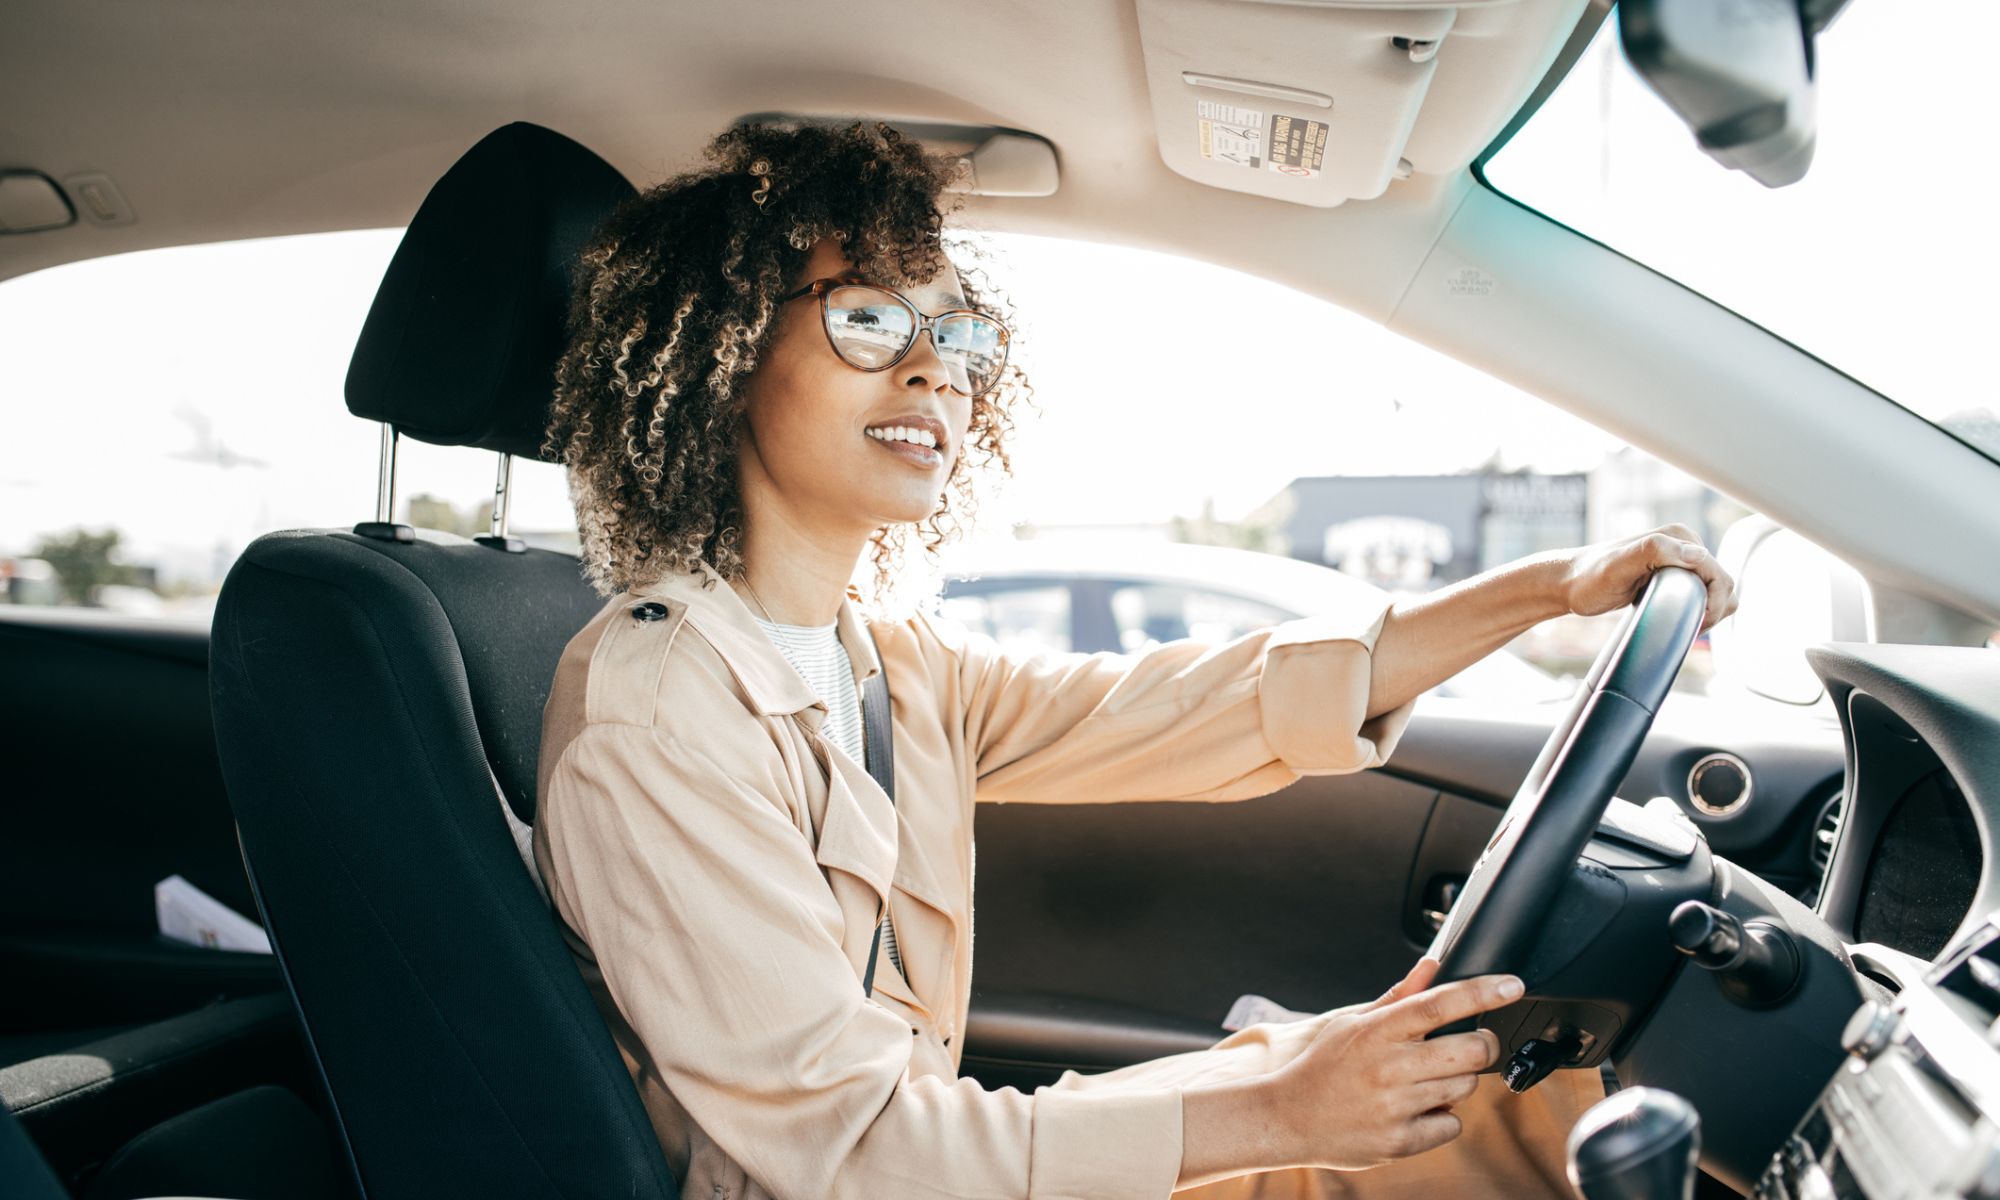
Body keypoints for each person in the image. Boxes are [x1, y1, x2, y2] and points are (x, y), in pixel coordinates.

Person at [530, 120, 1739, 1200]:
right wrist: (1274, 1109)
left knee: (1478, 1098)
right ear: (725, 355)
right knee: (1445, 1120)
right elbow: (854, 1153)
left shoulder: (880, 663)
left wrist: (1545, 592)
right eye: (866, 318)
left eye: (954, 329)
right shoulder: (660, 709)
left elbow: (1181, 705)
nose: (934, 368)